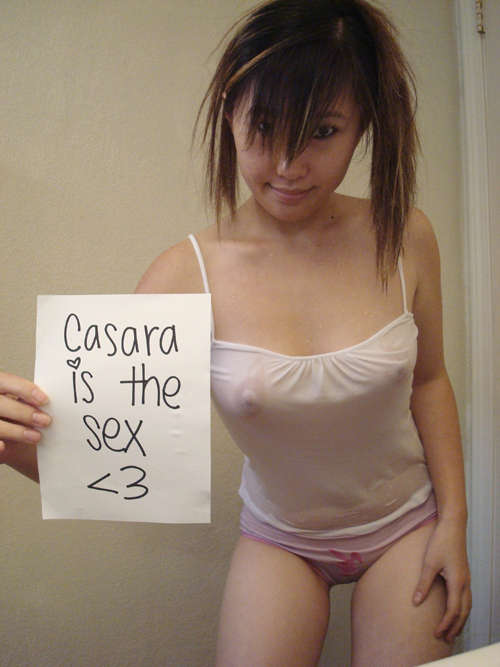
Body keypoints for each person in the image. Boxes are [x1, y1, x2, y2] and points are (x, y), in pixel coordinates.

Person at [0, 0, 471, 664]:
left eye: (322, 131)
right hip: (282, 540)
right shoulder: (183, 274)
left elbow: (429, 381)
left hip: (406, 525)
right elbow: (108, 458)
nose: (288, 164)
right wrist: (13, 440)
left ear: (362, 125)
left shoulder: (406, 236)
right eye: (265, 126)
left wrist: (455, 520)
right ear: (229, 112)